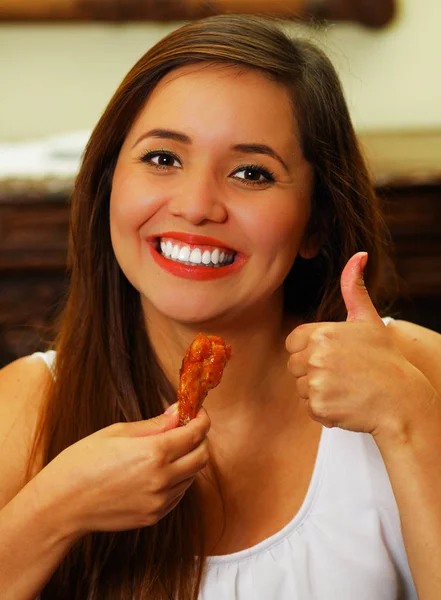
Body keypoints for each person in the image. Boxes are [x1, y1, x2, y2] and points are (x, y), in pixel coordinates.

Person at [0, 13, 440, 600]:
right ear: (108, 186)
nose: (197, 205)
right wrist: (53, 511)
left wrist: (412, 422)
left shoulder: (416, 371)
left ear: (318, 222)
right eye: (162, 159)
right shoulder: (26, 409)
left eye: (252, 172)